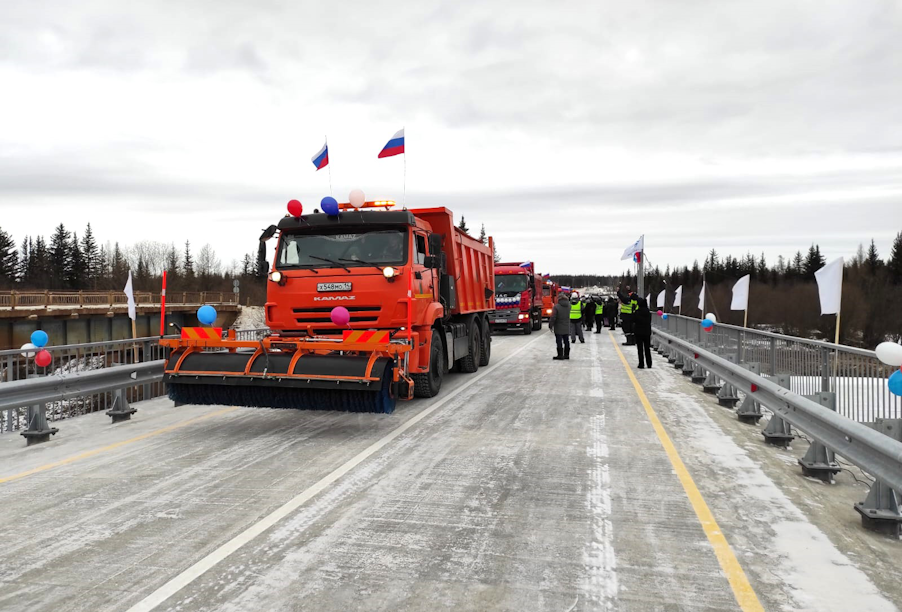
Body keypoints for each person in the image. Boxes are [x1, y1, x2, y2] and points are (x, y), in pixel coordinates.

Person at [548, 293, 571, 360]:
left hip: (558, 326)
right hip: (566, 325)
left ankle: (560, 355)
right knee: (566, 340)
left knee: (559, 341)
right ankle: (566, 354)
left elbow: (553, 317)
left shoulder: (556, 307)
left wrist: (551, 325)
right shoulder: (569, 306)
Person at [633, 296, 653, 369]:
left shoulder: (637, 312)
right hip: (647, 332)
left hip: (638, 332)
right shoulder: (649, 313)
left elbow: (633, 320)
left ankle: (641, 363)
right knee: (647, 348)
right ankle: (649, 363)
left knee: (640, 349)